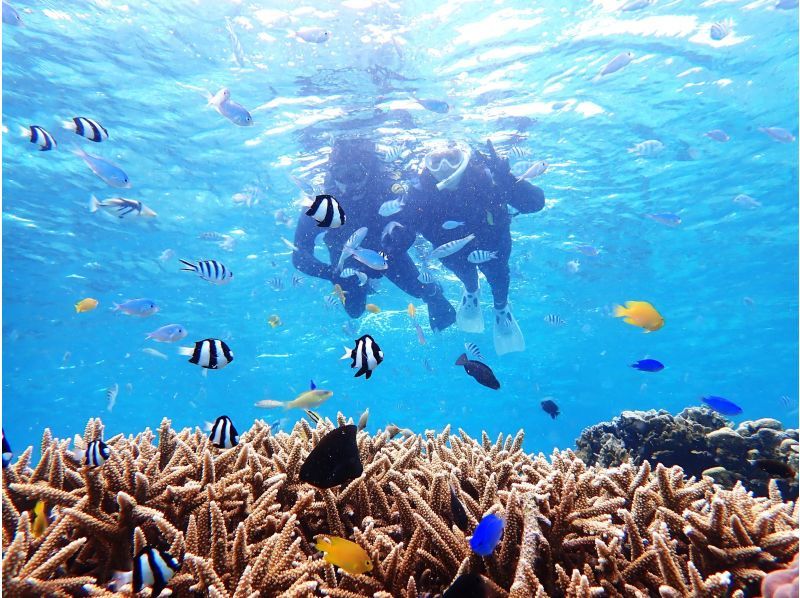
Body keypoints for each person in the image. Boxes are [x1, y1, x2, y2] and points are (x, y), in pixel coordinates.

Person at [383, 140, 545, 355]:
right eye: (436, 161)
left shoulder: (488, 178)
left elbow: (535, 204)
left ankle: (501, 308)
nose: (444, 168)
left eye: (452, 159)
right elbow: (409, 227)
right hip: (451, 251)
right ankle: (471, 291)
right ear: (427, 164)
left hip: (493, 244)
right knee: (465, 275)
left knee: (498, 277)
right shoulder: (420, 192)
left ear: (464, 158)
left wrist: (508, 180)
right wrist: (397, 239)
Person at [292, 138, 457, 332]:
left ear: (368, 172)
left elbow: (412, 222)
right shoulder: (320, 202)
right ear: (331, 173)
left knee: (420, 290)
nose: (347, 185)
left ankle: (435, 292)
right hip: (345, 255)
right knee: (354, 311)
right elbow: (299, 254)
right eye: (340, 175)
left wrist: (397, 245)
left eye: (354, 175)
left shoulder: (385, 190)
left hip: (387, 252)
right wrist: (330, 273)